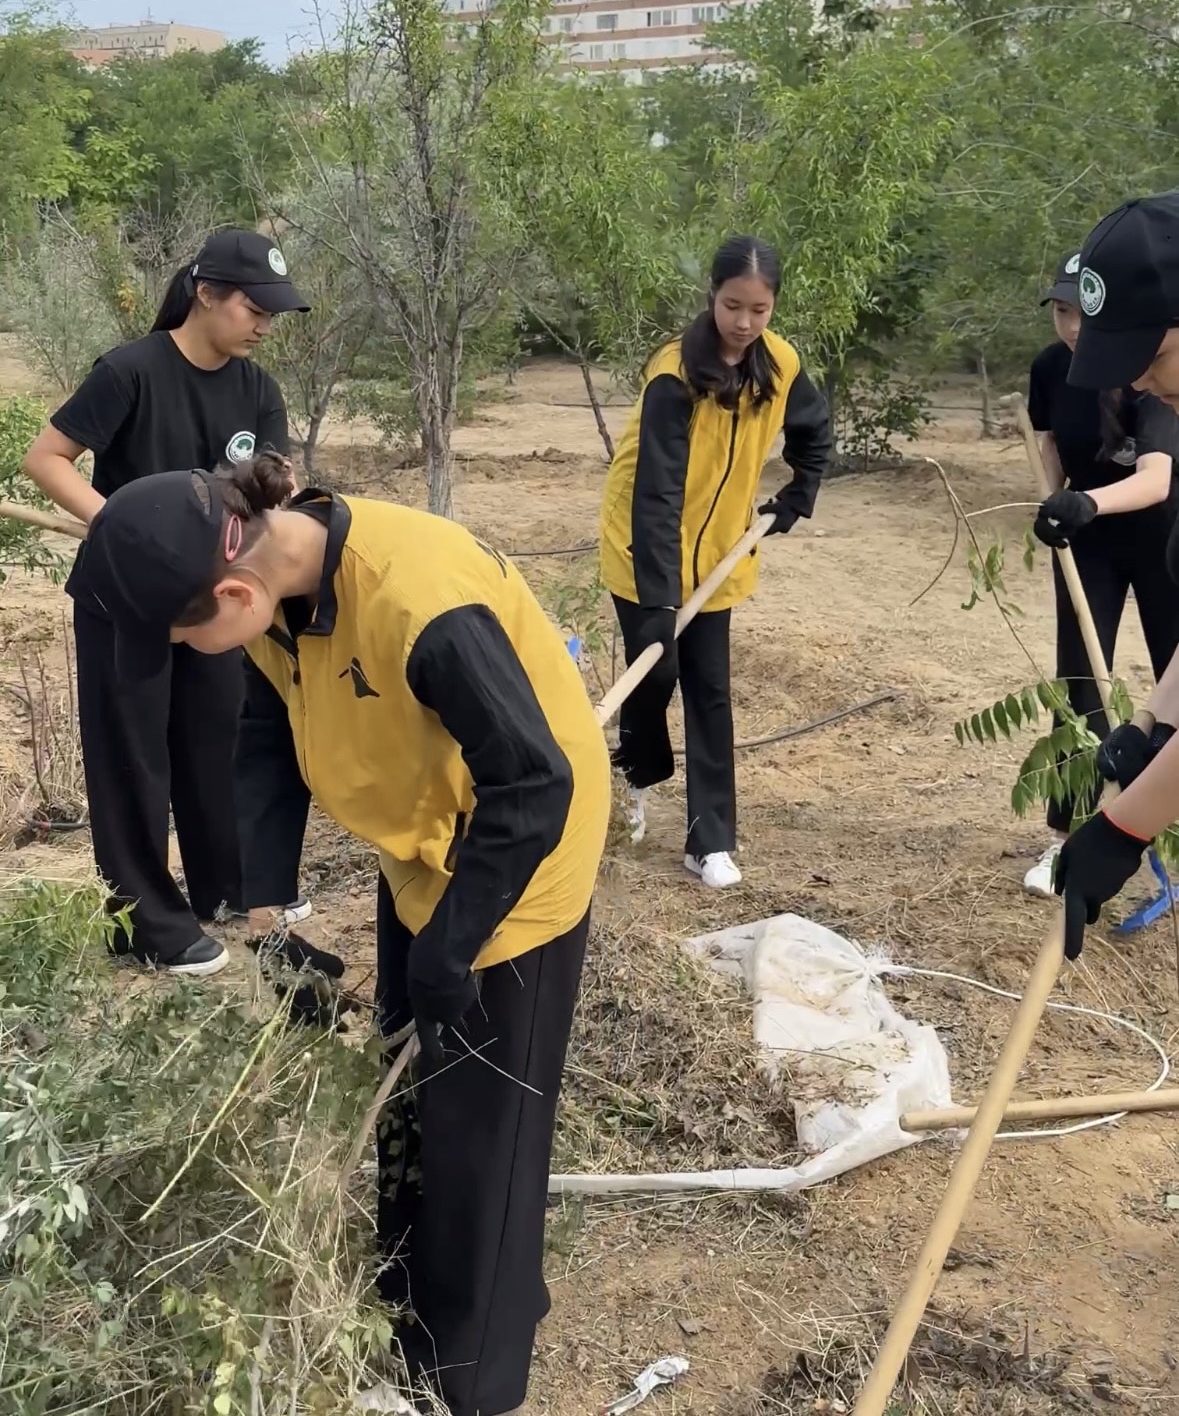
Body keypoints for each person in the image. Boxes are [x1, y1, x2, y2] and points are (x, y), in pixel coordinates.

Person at [66, 453, 611, 1416]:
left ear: (230, 589)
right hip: (424, 841)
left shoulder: (417, 602)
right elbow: (268, 737)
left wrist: (455, 948)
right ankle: (400, 1320)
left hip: (516, 859)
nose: (189, 657)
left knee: (485, 1131)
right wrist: (268, 914)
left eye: (183, 639)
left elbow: (534, 785)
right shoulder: (278, 591)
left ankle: (474, 1377)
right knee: (406, 1090)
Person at [22, 229, 310, 975]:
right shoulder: (130, 371)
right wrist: (115, 521)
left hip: (217, 600)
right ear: (206, 293)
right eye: (253, 307)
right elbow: (45, 457)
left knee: (214, 737)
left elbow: (274, 486)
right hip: (129, 594)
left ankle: (224, 888)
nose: (264, 324)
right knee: (132, 754)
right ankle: (144, 919)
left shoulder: (257, 390)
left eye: (272, 313)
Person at [599, 235, 831, 889]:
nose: (744, 322)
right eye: (733, 305)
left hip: (722, 552)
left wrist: (797, 493)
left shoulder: (779, 362)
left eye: (759, 309)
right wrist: (660, 599)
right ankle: (634, 781)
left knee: (709, 689)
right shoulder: (673, 373)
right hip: (641, 545)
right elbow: (656, 493)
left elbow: (813, 431)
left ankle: (710, 840)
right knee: (655, 672)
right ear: (711, 296)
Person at [1021, 249, 1179, 897]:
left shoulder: (1145, 371)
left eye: (1080, 311)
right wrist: (1057, 497)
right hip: (1086, 544)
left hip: (1158, 534)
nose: (1071, 326)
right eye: (1060, 310)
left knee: (1173, 678)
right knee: (1079, 683)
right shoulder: (1049, 369)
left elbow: (1155, 477)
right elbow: (1048, 441)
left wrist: (1087, 501)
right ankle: (1065, 832)